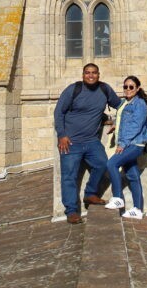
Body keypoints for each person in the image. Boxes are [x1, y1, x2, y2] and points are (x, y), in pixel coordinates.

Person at [54, 63, 122, 224]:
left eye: (94, 73)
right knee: (69, 177)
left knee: (103, 164)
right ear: (83, 75)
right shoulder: (73, 89)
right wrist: (62, 135)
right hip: (71, 142)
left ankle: (90, 193)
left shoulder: (105, 89)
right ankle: (71, 211)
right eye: (87, 73)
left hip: (92, 141)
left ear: (99, 74)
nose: (90, 75)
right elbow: (58, 112)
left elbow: (121, 106)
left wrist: (135, 114)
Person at [104, 75, 147, 220]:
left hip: (134, 144)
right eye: (125, 87)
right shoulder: (125, 102)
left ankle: (118, 197)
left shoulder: (140, 104)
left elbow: (135, 126)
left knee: (111, 163)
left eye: (131, 87)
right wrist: (115, 125)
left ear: (137, 89)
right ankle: (137, 209)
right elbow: (123, 119)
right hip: (129, 142)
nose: (128, 89)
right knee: (132, 175)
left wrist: (122, 144)